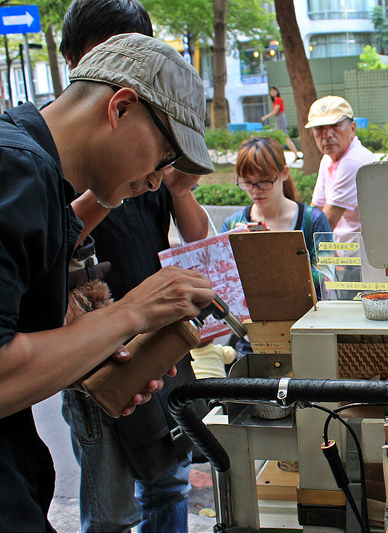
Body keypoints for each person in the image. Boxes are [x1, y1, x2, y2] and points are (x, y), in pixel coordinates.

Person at [0, 32, 216, 532]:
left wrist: (89, 352)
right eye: (164, 156)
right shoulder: (17, 171)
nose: (159, 179)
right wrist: (131, 312)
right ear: (120, 108)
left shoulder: (38, 176)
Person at [58, 2, 212, 532]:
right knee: (112, 507)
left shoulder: (149, 150)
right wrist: (119, 318)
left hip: (152, 340)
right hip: (92, 352)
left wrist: (172, 182)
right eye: (118, 50)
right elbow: (52, 258)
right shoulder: (51, 158)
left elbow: (194, 237)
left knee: (169, 479)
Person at [221, 136, 331, 297]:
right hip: (253, 319)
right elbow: (226, 285)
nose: (256, 190)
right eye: (248, 182)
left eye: (264, 182)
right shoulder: (233, 224)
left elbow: (327, 283)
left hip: (306, 319)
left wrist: (278, 253)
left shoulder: (312, 220)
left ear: (284, 173)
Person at [306, 95, 378, 238]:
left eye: (335, 126)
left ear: (352, 128)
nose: (327, 135)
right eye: (319, 128)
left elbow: (325, 224)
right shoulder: (328, 159)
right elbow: (315, 212)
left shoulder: (353, 161)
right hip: (345, 252)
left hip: (361, 256)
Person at [260, 86, 301, 160]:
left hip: (280, 120)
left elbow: (276, 111)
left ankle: (295, 155)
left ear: (277, 91)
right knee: (275, 138)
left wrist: (266, 117)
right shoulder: (276, 100)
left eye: (274, 90)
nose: (272, 92)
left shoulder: (278, 99)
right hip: (278, 120)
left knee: (285, 138)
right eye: (271, 91)